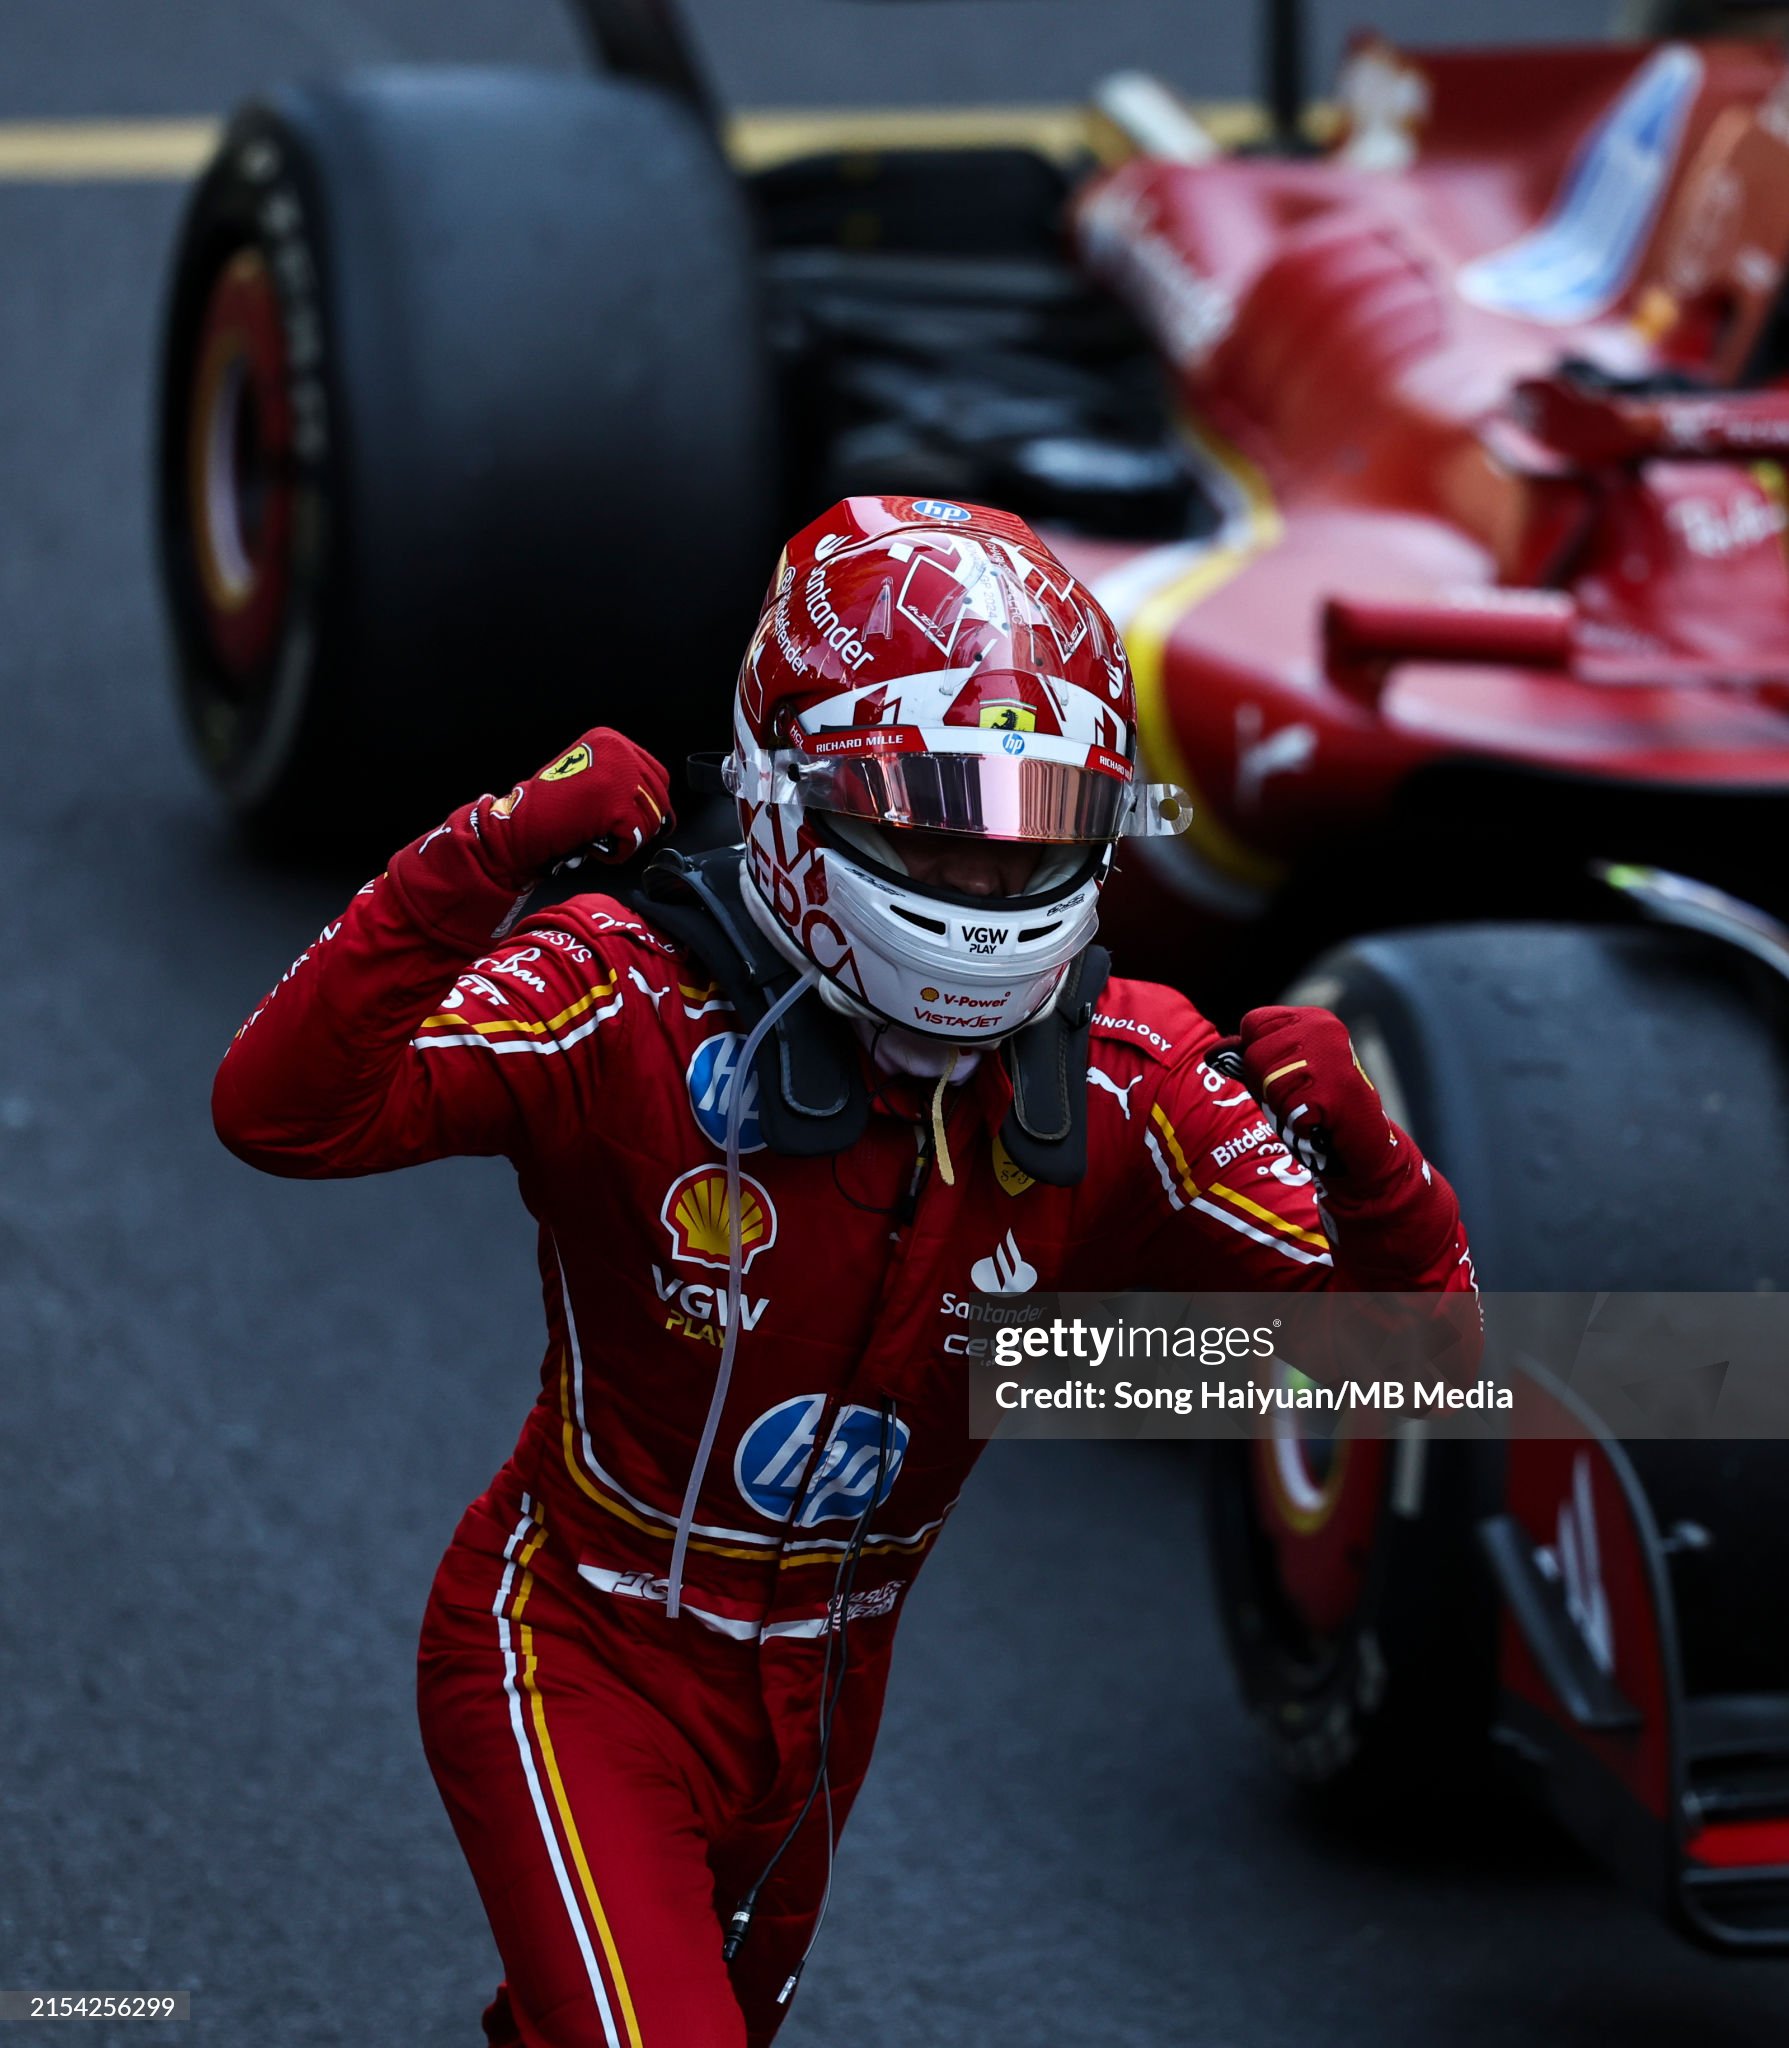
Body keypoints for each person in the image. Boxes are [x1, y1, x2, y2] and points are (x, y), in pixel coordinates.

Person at [212, 496, 1476, 2048]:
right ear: (782, 796)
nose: (982, 869)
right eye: (932, 814)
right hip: (576, 1658)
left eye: (1027, 823)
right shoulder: (620, 998)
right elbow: (278, 1117)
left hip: (819, 1714)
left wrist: (1380, 1175)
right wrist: (481, 852)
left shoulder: (1137, 1074)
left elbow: (1423, 1375)